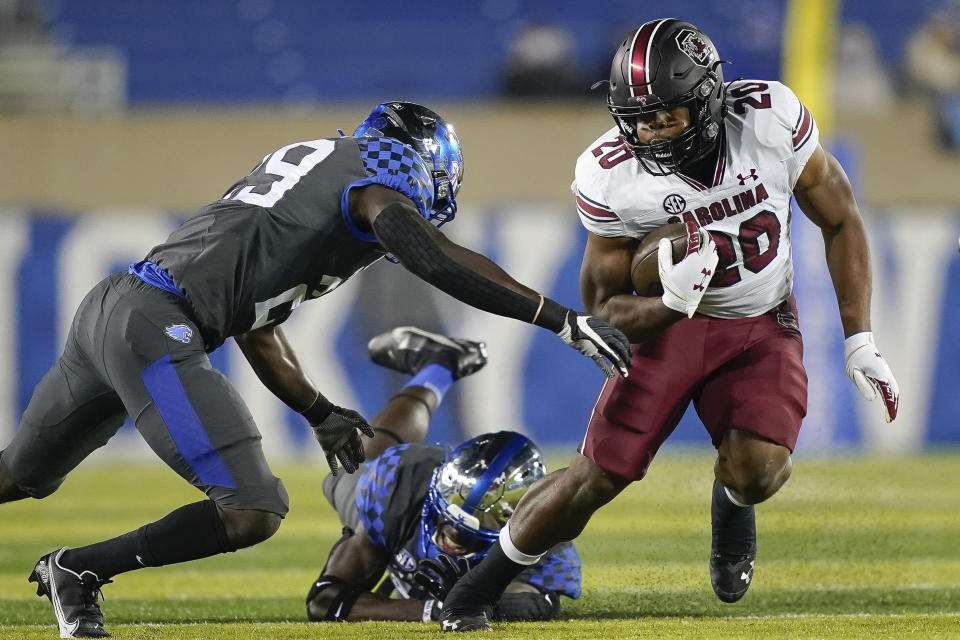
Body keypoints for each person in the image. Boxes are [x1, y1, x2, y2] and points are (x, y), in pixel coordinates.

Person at [0, 101, 630, 639]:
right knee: (253, 507)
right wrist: (557, 318)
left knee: (20, 473)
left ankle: (73, 566)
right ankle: (78, 569)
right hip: (154, 325)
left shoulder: (319, 175)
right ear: (426, 161)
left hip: (115, 308)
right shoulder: (380, 169)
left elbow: (256, 323)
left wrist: (319, 412)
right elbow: (432, 257)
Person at [438, 18, 901, 631]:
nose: (649, 131)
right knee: (592, 481)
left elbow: (841, 219)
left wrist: (859, 338)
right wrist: (668, 305)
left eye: (665, 115)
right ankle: (472, 592)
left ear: (707, 99)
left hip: (761, 319)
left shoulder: (769, 118)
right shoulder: (610, 173)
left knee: (760, 472)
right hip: (670, 333)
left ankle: (731, 501)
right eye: (638, 119)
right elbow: (603, 308)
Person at [306, 326, 580, 623]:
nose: (452, 540)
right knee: (353, 467)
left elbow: (535, 605)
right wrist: (432, 610)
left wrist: (474, 599)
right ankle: (439, 366)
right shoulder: (396, 490)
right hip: (409, 480)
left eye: (470, 535)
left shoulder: (543, 536)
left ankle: (439, 363)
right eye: (446, 521)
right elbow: (323, 601)